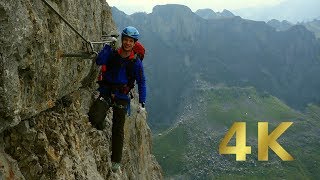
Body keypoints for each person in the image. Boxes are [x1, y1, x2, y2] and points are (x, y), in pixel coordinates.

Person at [88, 26, 146, 172]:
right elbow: (99, 61)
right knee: (94, 118)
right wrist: (108, 46)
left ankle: (116, 161)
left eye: (130, 41)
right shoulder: (113, 53)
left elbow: (142, 82)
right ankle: (100, 123)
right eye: (125, 40)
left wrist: (142, 102)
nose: (127, 43)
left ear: (134, 43)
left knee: (118, 128)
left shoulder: (136, 62)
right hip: (107, 92)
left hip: (122, 96)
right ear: (122, 40)